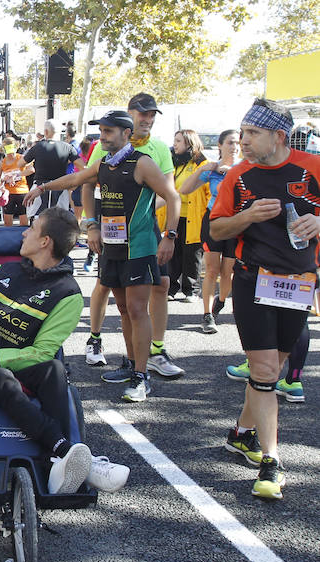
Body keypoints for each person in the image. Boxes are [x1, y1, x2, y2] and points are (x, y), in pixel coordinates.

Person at [0, 207, 129, 493]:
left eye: (31, 229)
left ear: (45, 241)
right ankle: (70, 454)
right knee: (1, 378)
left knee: (54, 369)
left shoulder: (68, 295)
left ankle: (61, 461)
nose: (23, 232)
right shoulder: (5, 270)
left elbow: (43, 352)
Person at [28, 111, 181, 402]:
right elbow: (76, 179)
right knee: (123, 309)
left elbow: (173, 197)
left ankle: (141, 376)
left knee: (137, 310)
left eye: (109, 131)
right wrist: (43, 188)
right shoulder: (104, 164)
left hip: (139, 246)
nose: (103, 136)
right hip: (112, 246)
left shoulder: (142, 163)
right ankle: (132, 363)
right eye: (101, 131)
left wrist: (169, 237)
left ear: (126, 133)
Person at [209, 98, 320, 499]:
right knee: (265, 367)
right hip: (253, 280)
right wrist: (247, 217)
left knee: (273, 369)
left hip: (298, 282)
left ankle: (242, 432)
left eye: (253, 134)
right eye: (242, 134)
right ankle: (272, 462)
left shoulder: (312, 167)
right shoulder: (238, 176)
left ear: (279, 135)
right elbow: (217, 230)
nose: (244, 142)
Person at [82, 93, 184, 382]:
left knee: (160, 285)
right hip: (108, 226)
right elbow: (86, 184)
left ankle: (156, 352)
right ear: (129, 118)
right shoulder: (107, 144)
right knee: (107, 287)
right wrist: (91, 224)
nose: (147, 119)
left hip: (144, 228)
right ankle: (97, 340)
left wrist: (147, 219)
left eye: (152, 114)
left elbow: (168, 192)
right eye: (142, 114)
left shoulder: (159, 149)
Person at [178, 129, 239, 333]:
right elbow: (184, 189)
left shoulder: (245, 169)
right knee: (212, 270)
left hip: (236, 224)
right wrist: (203, 170)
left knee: (228, 272)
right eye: (230, 142)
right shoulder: (212, 168)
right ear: (220, 145)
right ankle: (207, 314)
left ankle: (220, 302)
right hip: (213, 221)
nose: (235, 146)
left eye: (237, 142)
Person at [166, 129, 209, 303]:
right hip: (176, 215)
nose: (174, 144)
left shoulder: (202, 164)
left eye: (178, 141)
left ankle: (191, 290)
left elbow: (207, 192)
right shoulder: (175, 162)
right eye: (174, 140)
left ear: (189, 143)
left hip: (195, 215)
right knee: (173, 252)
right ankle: (172, 288)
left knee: (192, 254)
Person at [19, 119, 86, 218]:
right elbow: (82, 166)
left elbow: (20, 164)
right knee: (59, 220)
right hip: (60, 187)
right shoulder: (68, 147)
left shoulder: (38, 147)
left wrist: (32, 165)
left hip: (39, 187)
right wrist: (76, 181)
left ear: (45, 132)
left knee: (37, 219)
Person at [0, 139, 34, 227]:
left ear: (16, 147)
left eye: (12, 148)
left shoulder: (22, 158)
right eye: (8, 149)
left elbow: (31, 170)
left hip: (22, 192)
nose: (11, 153)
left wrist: (17, 174)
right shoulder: (2, 162)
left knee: (24, 223)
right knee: (7, 223)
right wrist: (4, 179)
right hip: (8, 193)